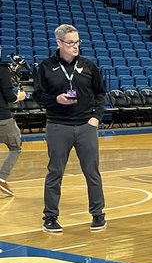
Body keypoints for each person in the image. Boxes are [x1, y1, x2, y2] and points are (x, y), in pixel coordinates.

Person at [32, 24, 106, 233]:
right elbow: (38, 94)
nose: (75, 46)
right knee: (55, 172)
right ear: (59, 43)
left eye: (77, 42)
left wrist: (96, 118)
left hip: (85, 126)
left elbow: (100, 93)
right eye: (71, 43)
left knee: (92, 172)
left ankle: (98, 214)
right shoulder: (46, 67)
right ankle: (50, 217)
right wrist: (55, 99)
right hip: (57, 126)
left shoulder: (89, 66)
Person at [0, 47, 25, 198]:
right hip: (2, 117)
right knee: (16, 148)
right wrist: (19, 97)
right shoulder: (2, 69)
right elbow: (9, 97)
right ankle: (1, 178)